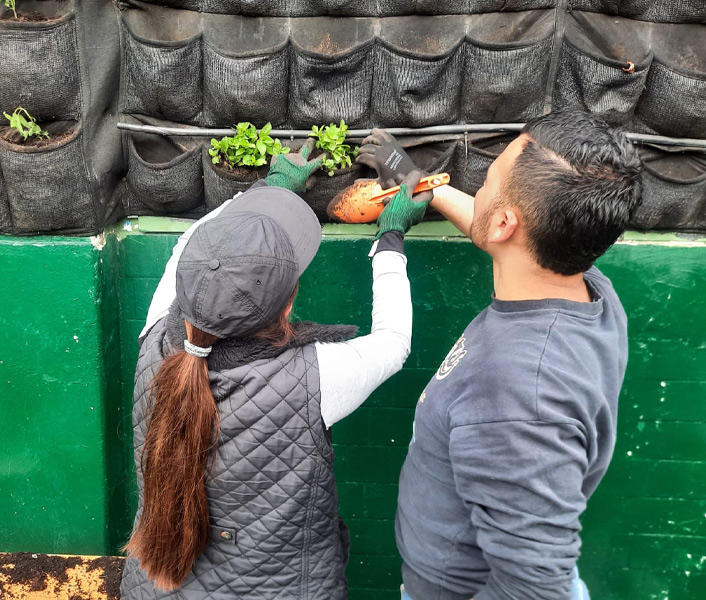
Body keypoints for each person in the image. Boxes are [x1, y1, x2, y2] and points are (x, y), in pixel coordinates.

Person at [120, 139, 431, 599]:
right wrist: (391, 236)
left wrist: (270, 188)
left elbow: (191, 242)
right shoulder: (316, 376)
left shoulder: (154, 341)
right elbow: (392, 342)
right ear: (287, 307)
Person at [356, 109, 643, 600]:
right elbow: (497, 228)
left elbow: (535, 591)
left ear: (507, 222)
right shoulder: (590, 288)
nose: (481, 192)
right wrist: (416, 180)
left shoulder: (518, 393)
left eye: (488, 181)